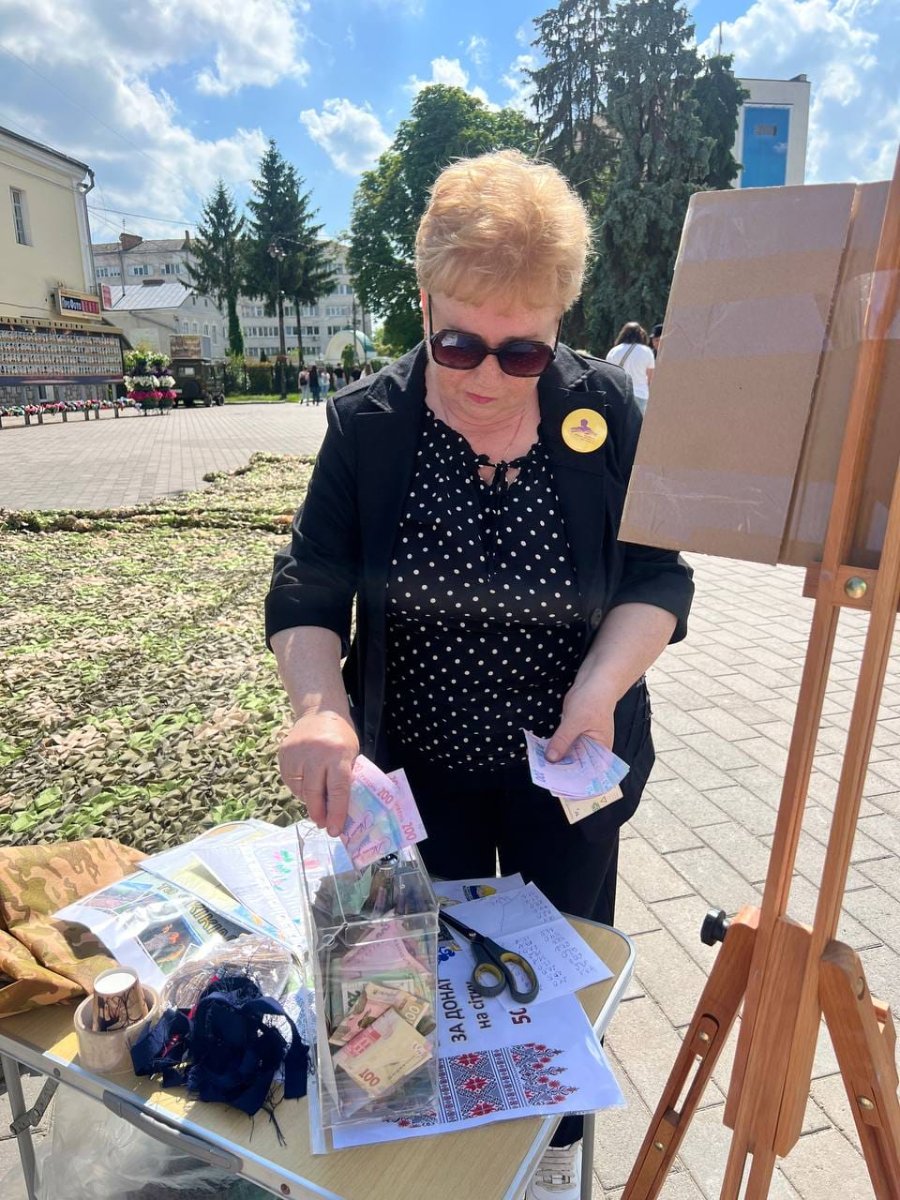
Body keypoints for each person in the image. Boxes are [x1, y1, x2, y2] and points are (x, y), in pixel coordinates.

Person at [265, 150, 693, 1200]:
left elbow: (657, 577)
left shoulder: (605, 414)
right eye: (458, 343)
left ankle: (553, 1157)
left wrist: (598, 689)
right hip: (419, 776)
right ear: (422, 305)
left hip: (568, 768)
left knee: (558, 979)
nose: (489, 377)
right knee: (418, 991)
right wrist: (321, 711)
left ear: (560, 325)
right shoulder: (369, 426)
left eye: (523, 351)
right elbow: (309, 584)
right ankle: (438, 1164)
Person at [606, 323, 655, 416]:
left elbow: (608, 374)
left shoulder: (614, 351)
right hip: (640, 394)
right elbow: (650, 379)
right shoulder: (646, 351)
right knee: (638, 424)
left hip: (618, 395)